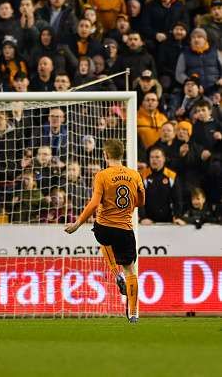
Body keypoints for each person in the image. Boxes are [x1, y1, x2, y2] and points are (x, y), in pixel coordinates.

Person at [65, 139, 145, 324]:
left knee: (103, 239)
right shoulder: (135, 175)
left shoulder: (102, 175)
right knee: (130, 270)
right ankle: (133, 314)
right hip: (125, 228)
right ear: (122, 154)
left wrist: (78, 223)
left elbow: (94, 203)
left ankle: (115, 274)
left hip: (104, 227)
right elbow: (141, 202)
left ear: (106, 155)